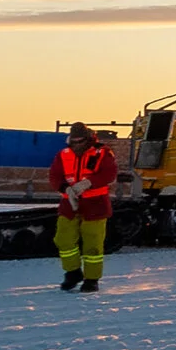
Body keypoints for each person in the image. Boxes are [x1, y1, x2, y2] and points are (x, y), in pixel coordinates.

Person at [49, 122, 118, 293]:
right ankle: (73, 272)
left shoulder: (102, 153)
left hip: (96, 205)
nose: (77, 145)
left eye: (80, 141)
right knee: (63, 239)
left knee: (93, 244)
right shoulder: (63, 155)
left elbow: (109, 174)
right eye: (74, 141)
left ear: (88, 139)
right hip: (69, 205)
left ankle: (92, 279)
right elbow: (55, 176)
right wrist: (66, 188)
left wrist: (88, 183)